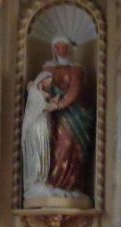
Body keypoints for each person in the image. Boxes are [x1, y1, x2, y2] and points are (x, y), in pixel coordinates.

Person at [28, 36, 95, 206]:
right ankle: (51, 183)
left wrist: (60, 105)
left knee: (68, 145)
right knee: (49, 146)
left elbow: (75, 91)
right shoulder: (48, 68)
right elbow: (40, 87)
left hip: (73, 115)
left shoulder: (76, 69)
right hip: (51, 115)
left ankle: (70, 185)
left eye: (64, 46)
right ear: (53, 49)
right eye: (57, 46)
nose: (61, 49)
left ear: (69, 48)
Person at [20, 70, 53, 201]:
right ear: (42, 79)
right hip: (34, 127)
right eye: (48, 79)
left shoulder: (39, 93)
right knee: (36, 153)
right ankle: (34, 181)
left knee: (43, 152)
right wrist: (53, 104)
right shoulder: (34, 93)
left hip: (42, 127)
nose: (49, 82)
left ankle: (41, 181)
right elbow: (43, 107)